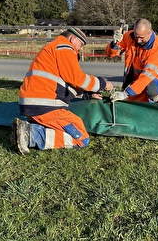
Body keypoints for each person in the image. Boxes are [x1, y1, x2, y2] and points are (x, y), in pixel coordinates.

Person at [12, 27, 114, 155]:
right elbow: (75, 77)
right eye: (81, 44)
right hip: (46, 106)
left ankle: (31, 129)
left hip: (35, 103)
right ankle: (31, 134)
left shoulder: (54, 47)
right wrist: (102, 84)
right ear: (72, 39)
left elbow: (66, 83)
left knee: (73, 127)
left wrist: (88, 94)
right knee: (82, 138)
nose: (81, 49)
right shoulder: (65, 47)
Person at [105, 18, 158, 103]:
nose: (138, 40)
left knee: (154, 88)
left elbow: (147, 76)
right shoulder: (129, 36)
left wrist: (125, 94)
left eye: (141, 38)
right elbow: (109, 54)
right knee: (135, 106)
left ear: (150, 33)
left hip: (153, 80)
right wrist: (114, 44)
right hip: (136, 80)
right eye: (136, 36)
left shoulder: (156, 48)